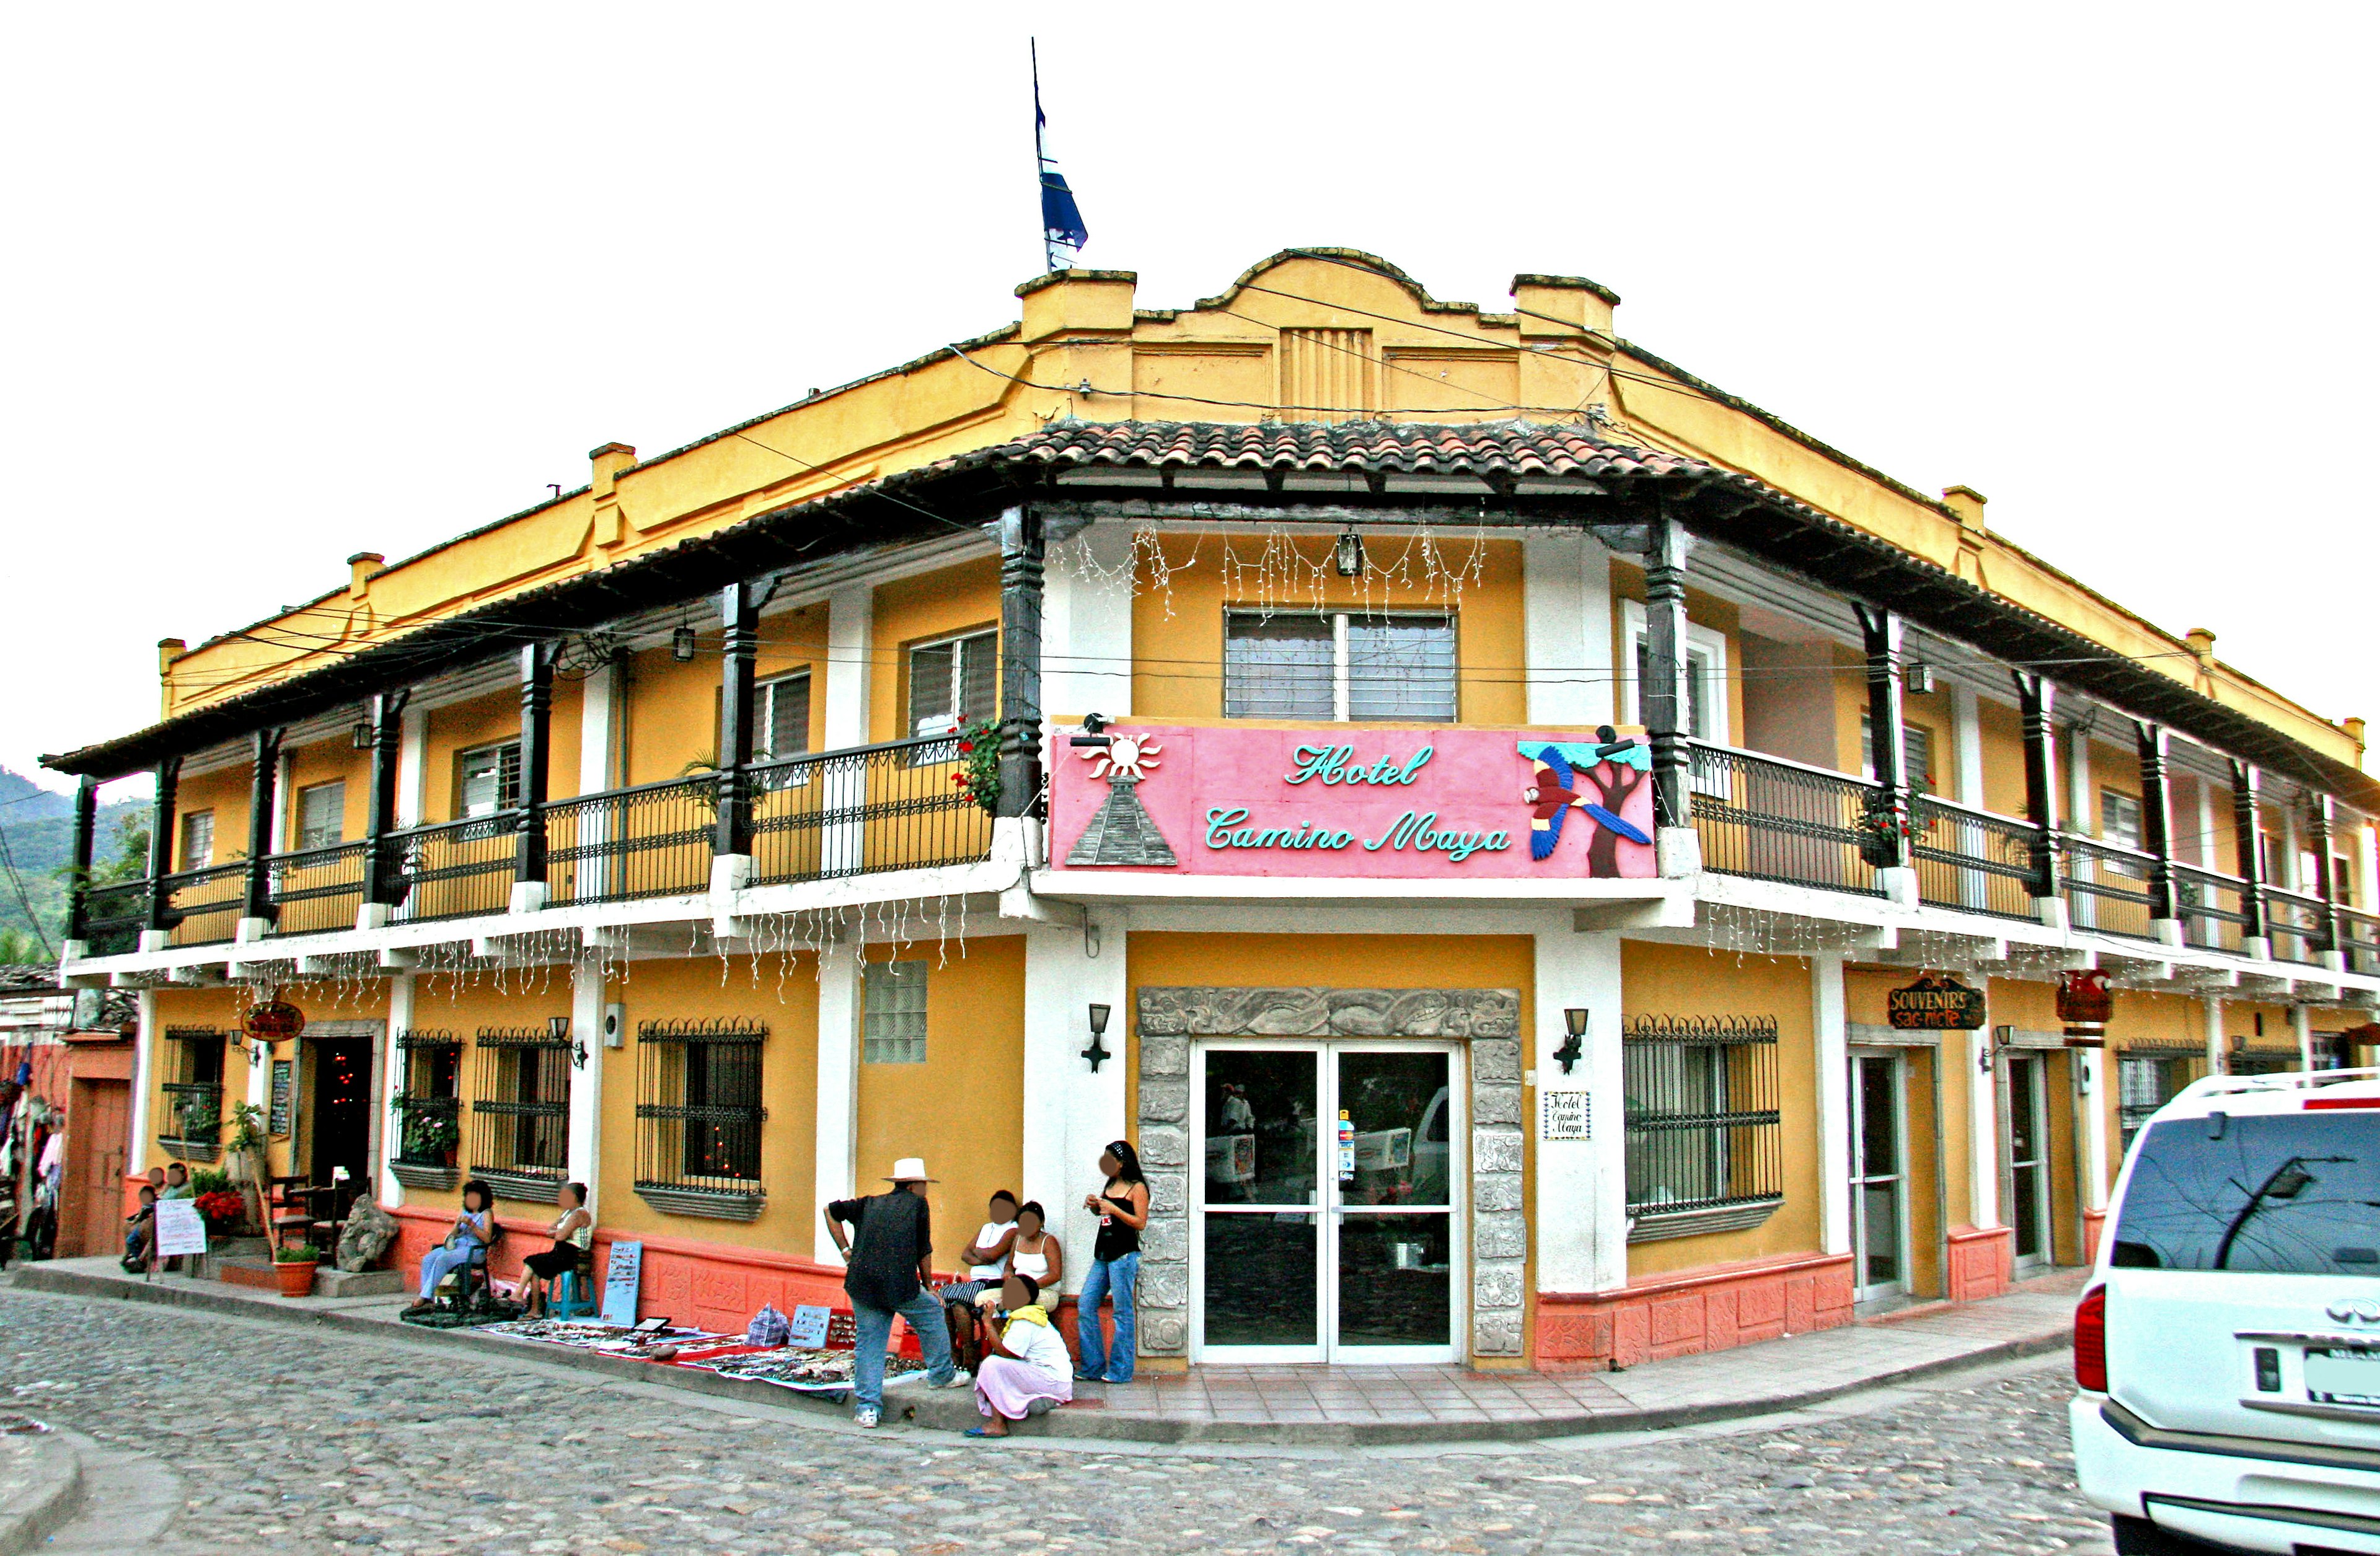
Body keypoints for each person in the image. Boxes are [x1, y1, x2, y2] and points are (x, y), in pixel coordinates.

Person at [824, 1158, 960, 1428]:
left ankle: (868, 1409)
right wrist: (930, 1286)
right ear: (914, 1186)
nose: (925, 1190)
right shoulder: (918, 1205)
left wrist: (845, 1250)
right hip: (898, 1283)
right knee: (932, 1313)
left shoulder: (869, 1203)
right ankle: (941, 1375)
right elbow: (924, 1250)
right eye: (924, 1185)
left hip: (863, 1282)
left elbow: (830, 1210)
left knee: (870, 1344)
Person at [1075, 1140, 1150, 1384]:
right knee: (1086, 1304)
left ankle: (1121, 1370)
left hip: (1124, 1255)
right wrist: (1096, 1206)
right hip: (1103, 1253)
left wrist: (1115, 1210)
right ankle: (1093, 1366)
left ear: (1122, 1163)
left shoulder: (1137, 1188)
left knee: (1122, 1312)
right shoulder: (1111, 1183)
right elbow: (1105, 1213)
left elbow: (1140, 1222)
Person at [964, 1272, 1073, 1437]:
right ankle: (1033, 1400)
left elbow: (1005, 1354)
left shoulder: (1025, 1321)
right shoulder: (1026, 1316)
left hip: (1053, 1380)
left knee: (992, 1364)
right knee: (996, 1365)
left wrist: (987, 1323)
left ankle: (998, 1424)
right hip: (1053, 1380)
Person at [405, 1179, 495, 1312]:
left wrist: (472, 1225)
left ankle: (425, 1297)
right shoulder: (465, 1211)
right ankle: (429, 1296)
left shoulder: (486, 1213)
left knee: (444, 1260)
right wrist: (457, 1225)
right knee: (429, 1259)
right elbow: (453, 1235)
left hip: (474, 1250)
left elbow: (487, 1238)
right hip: (458, 1245)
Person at [518, 1182, 593, 1317]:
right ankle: (534, 1310)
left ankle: (519, 1293)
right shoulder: (567, 1214)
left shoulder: (579, 1214)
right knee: (533, 1267)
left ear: (574, 1197)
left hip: (573, 1254)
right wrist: (562, 1232)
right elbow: (549, 1231)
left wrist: (561, 1233)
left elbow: (559, 1237)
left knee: (532, 1262)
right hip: (560, 1250)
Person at [935, 1190, 1020, 1309]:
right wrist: (983, 1258)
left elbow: (992, 1256)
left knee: (944, 1293)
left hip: (992, 1283)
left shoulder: (1013, 1229)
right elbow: (965, 1255)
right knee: (954, 1306)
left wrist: (977, 1251)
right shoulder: (986, 1228)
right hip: (975, 1282)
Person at [121, 1184, 157, 1272]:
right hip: (142, 1226)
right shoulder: (145, 1205)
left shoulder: (157, 1204)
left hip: (153, 1227)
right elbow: (140, 1215)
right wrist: (134, 1221)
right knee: (130, 1241)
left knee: (149, 1241)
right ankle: (139, 1260)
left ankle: (141, 1261)